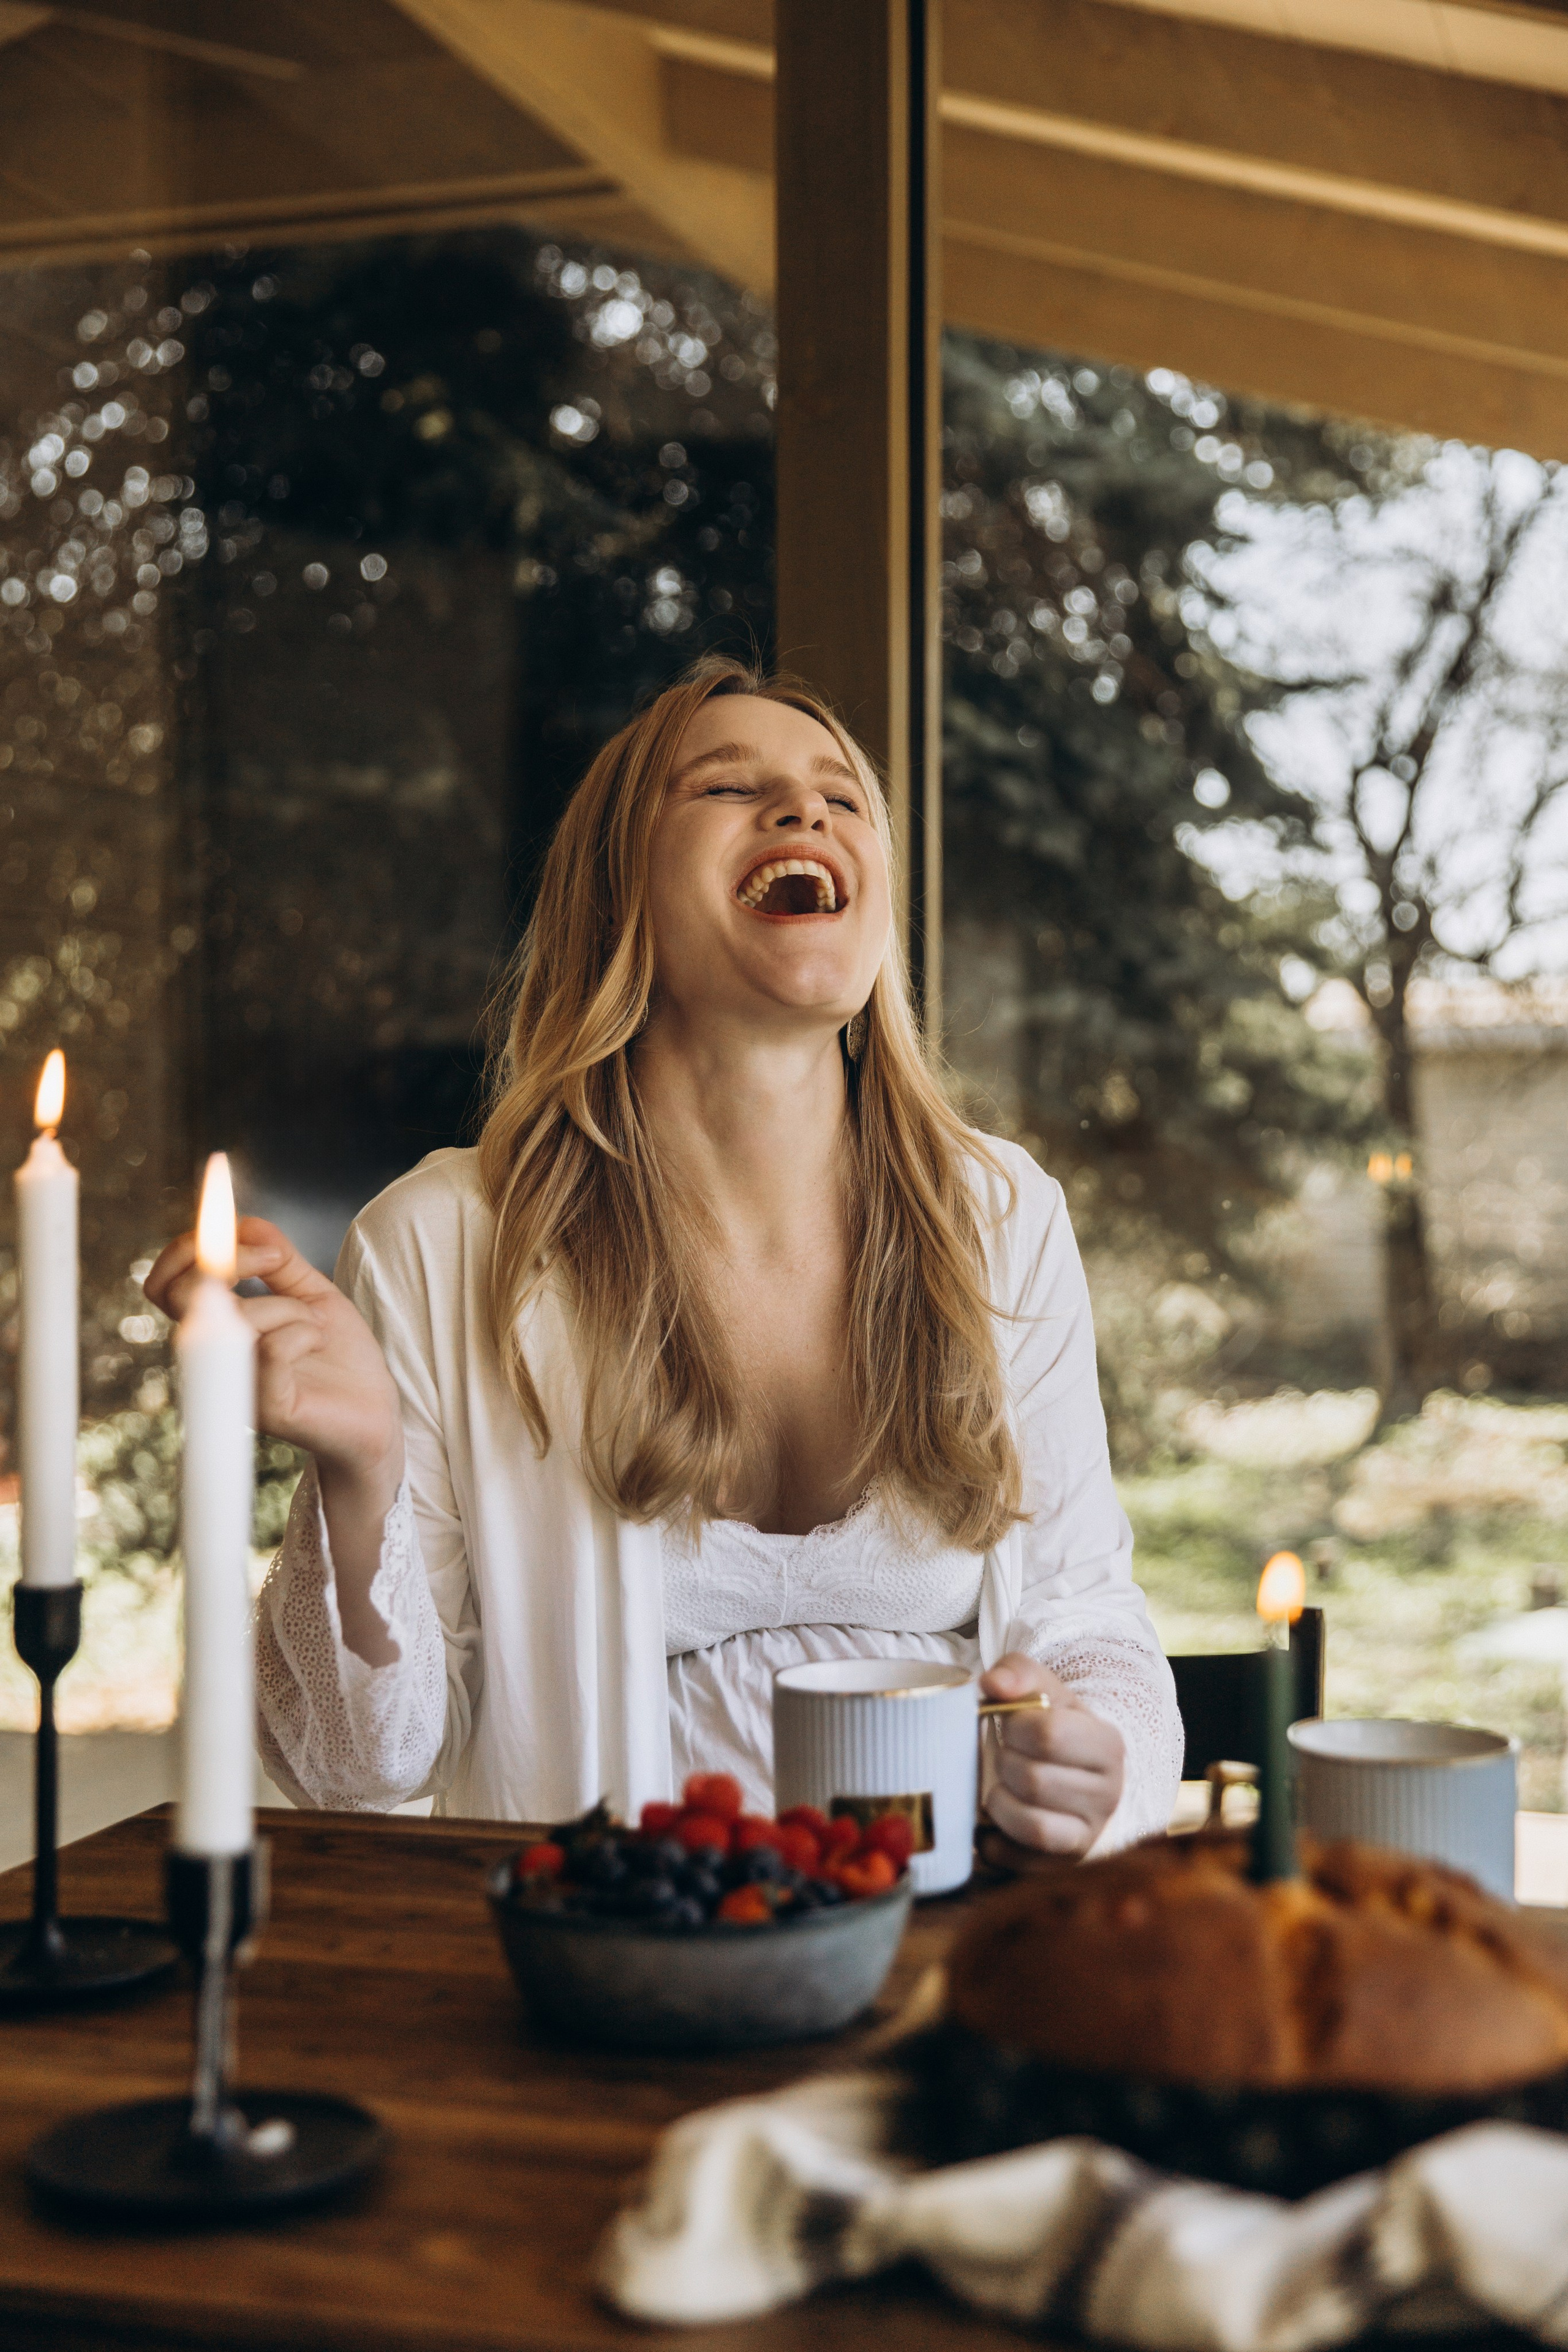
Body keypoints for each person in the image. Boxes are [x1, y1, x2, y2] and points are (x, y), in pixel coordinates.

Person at [146, 656, 1182, 1854]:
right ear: (610, 898)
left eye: (841, 799)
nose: (803, 812)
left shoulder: (999, 1216)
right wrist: (358, 1476)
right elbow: (356, 1769)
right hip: (593, 1979)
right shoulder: (441, 1242)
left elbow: (1090, 1626)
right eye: (727, 788)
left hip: (937, 1957)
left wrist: (1097, 1761)